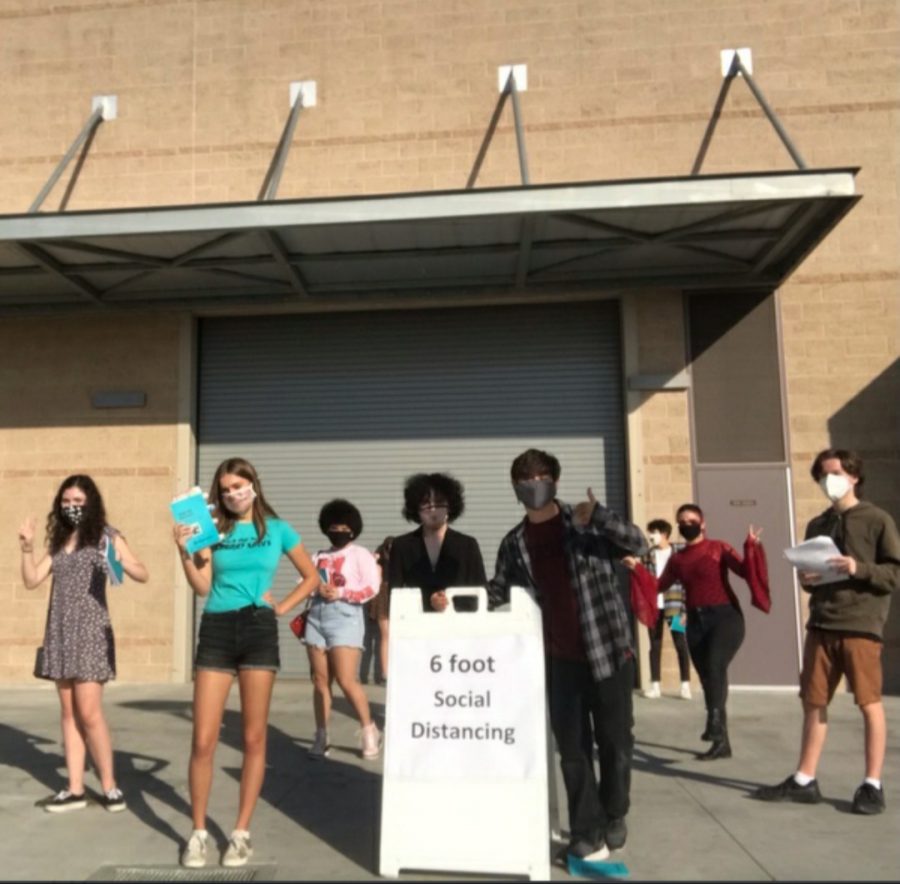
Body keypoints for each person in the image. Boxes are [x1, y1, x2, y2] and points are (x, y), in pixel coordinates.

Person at [488, 448, 647, 862]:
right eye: (525, 479)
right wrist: (449, 602)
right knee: (573, 751)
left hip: (609, 650)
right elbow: (497, 591)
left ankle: (615, 814)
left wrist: (599, 515)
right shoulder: (515, 543)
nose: (533, 484)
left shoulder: (585, 525)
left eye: (541, 476)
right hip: (559, 660)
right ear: (516, 488)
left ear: (555, 482)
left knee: (615, 742)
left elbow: (639, 544)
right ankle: (586, 831)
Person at [173, 457, 319, 869]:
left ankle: (240, 833)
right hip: (217, 627)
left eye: (240, 485)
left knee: (254, 738)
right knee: (203, 739)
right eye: (225, 489)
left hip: (257, 629)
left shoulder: (277, 529)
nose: (233, 493)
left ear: (254, 484)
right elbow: (204, 586)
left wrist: (281, 608)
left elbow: (311, 577)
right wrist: (186, 554)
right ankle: (199, 832)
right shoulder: (212, 530)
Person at [754, 449, 900, 814]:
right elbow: (813, 580)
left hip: (861, 626)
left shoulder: (877, 519)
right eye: (821, 475)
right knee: (813, 701)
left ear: (853, 476)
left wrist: (857, 567)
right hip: (821, 623)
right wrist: (809, 579)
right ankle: (805, 778)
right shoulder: (817, 525)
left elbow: (893, 575)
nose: (827, 481)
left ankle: (872, 784)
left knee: (869, 703)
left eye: (833, 472)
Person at [18, 474, 149, 814]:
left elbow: (141, 571)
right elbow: (32, 580)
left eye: (77, 502)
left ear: (90, 503)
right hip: (60, 631)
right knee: (68, 712)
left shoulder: (107, 536)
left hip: (91, 631)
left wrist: (118, 562)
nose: (71, 507)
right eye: (66, 502)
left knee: (89, 713)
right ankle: (75, 789)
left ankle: (110, 787)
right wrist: (27, 548)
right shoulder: (60, 541)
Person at [625, 504, 767, 761]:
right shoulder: (678, 559)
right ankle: (721, 742)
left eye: (691, 520)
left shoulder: (718, 548)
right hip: (696, 622)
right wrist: (637, 568)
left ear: (702, 524)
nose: (686, 524)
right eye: (681, 521)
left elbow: (746, 571)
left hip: (725, 618)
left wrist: (751, 546)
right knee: (710, 677)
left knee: (714, 665)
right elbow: (657, 586)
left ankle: (713, 723)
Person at [305, 499, 382, 761]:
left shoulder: (360, 554)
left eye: (343, 526)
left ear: (353, 528)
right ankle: (321, 733)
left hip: (346, 616)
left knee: (347, 680)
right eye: (333, 525)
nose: (338, 530)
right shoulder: (318, 556)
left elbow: (372, 588)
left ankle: (368, 728)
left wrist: (341, 592)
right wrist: (317, 588)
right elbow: (306, 582)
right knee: (320, 680)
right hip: (316, 616)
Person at [388, 472, 486, 612]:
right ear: (416, 508)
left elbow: (480, 591)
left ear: (450, 506)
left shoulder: (468, 545)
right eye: (425, 503)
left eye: (439, 502)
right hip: (416, 626)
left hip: (461, 626)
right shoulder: (401, 546)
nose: (432, 509)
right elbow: (395, 595)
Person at [640, 519, 692, 700]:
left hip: (675, 607)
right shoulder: (647, 555)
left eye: (652, 532)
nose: (650, 536)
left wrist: (685, 610)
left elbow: (687, 583)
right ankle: (655, 686)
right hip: (655, 607)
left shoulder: (679, 553)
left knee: (680, 643)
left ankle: (685, 685)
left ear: (663, 534)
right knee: (654, 645)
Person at [368, 535, 394, 685]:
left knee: (386, 637)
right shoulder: (379, 560)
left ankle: (386, 672)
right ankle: (385, 673)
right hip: (385, 595)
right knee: (386, 636)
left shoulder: (379, 559)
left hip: (390, 595)